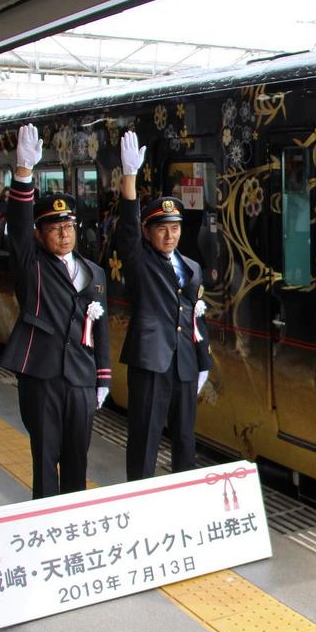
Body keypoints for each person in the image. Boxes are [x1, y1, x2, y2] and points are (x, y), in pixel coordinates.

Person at [0, 124, 112, 499]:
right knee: (45, 456)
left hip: (81, 377)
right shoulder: (30, 264)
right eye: (54, 227)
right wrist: (24, 175)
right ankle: (45, 520)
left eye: (69, 226)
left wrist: (103, 377)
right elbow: (16, 227)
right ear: (39, 234)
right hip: (41, 374)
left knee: (77, 456)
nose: (64, 234)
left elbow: (101, 327)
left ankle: (74, 517)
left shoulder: (93, 272)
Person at [117, 130, 210, 480]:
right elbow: (126, 231)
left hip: (185, 364)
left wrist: (204, 362)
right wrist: (130, 177)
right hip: (151, 362)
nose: (169, 235)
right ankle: (139, 497)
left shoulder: (192, 267)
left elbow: (197, 319)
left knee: (185, 439)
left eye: (175, 228)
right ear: (148, 231)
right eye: (161, 229)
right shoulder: (140, 262)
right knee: (145, 438)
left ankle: (183, 498)